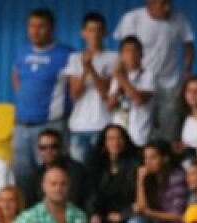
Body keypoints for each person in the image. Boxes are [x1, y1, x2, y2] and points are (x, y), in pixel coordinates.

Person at [11, 8, 73, 204]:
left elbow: (74, 88)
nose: (35, 31)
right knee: (22, 177)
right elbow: (16, 78)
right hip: (22, 126)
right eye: (31, 26)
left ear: (51, 28)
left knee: (51, 178)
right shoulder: (22, 51)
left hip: (50, 125)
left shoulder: (66, 54)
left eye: (41, 26)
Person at [113, 0, 195, 142]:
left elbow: (188, 45)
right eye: (163, 4)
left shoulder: (179, 18)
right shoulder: (132, 18)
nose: (168, 8)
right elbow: (124, 47)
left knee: (168, 128)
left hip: (169, 84)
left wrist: (187, 69)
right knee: (137, 126)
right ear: (150, 3)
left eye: (169, 3)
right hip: (140, 82)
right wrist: (121, 75)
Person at [63, 14, 119, 165]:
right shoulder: (75, 58)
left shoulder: (114, 58)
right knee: (78, 170)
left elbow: (106, 93)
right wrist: (85, 70)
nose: (95, 34)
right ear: (83, 33)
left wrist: (91, 68)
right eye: (91, 30)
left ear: (105, 33)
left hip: (103, 123)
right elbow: (74, 94)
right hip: (78, 125)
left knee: (99, 169)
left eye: (98, 30)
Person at [125, 139, 188, 223]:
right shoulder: (148, 177)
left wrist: (149, 213)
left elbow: (178, 217)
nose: (148, 162)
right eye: (146, 158)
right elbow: (141, 208)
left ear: (165, 158)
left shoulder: (176, 177)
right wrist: (140, 181)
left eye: (153, 158)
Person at [87, 124, 140, 223]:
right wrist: (94, 213)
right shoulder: (97, 165)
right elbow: (91, 194)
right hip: (104, 218)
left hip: (127, 218)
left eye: (119, 138)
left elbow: (140, 200)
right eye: (110, 138)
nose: (115, 142)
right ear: (104, 142)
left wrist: (123, 215)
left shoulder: (135, 165)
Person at [108, 35, 155, 148]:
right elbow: (110, 106)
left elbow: (139, 99)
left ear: (142, 54)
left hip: (139, 135)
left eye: (135, 50)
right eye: (127, 51)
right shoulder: (117, 78)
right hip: (119, 137)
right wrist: (119, 83)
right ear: (121, 55)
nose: (131, 54)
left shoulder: (148, 75)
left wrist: (121, 77)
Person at [28, 128, 87, 211]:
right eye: (43, 148)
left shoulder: (76, 170)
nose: (48, 151)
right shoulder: (35, 175)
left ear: (61, 148)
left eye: (54, 146)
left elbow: (76, 199)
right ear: (38, 150)